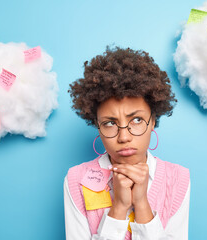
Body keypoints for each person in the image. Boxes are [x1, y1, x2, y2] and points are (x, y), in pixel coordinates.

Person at [64, 46, 190, 240]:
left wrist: (141, 203)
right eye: (109, 123)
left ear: (153, 120)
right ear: (97, 126)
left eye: (137, 120)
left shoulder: (178, 179)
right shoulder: (75, 179)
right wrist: (119, 208)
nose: (124, 137)